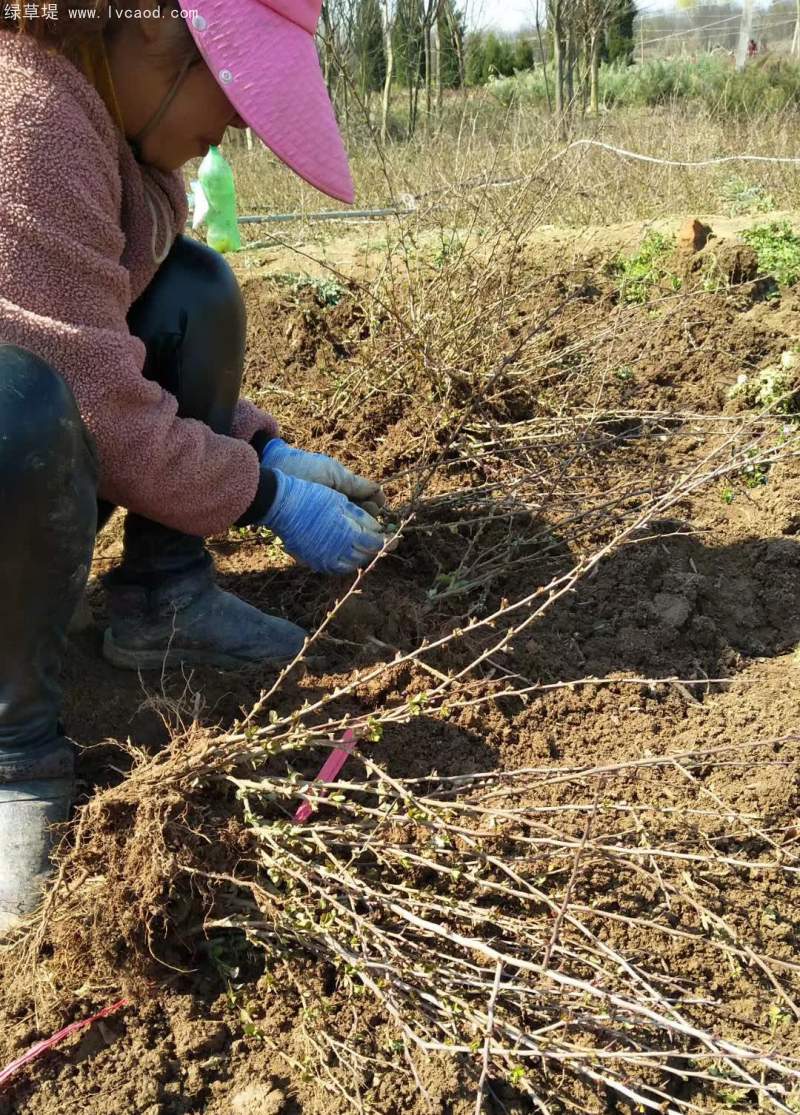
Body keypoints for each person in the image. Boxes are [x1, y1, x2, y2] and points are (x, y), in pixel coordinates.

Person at [0, 0, 389, 932]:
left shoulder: (103, 127)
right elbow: (88, 396)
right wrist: (262, 494)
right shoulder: (28, 120)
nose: (240, 125)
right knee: (19, 403)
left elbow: (107, 346)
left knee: (192, 290)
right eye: (234, 89)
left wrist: (261, 445)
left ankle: (162, 600)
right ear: (152, 33)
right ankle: (13, 749)